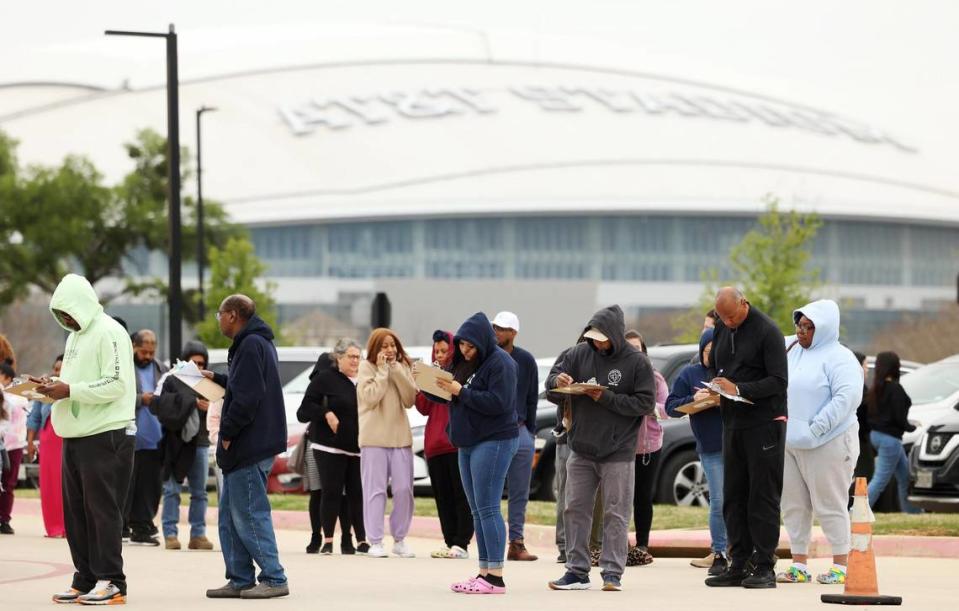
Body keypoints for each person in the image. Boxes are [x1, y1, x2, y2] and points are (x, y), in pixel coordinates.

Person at [35, 274, 136, 605]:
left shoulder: (110, 331)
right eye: (59, 314)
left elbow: (117, 383)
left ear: (82, 304)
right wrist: (53, 384)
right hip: (76, 434)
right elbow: (76, 381)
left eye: (68, 312)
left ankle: (112, 581)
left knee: (102, 511)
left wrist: (70, 389)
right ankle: (86, 577)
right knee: (75, 512)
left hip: (106, 434)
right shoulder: (76, 337)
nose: (65, 319)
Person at [546, 305, 655, 592]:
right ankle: (576, 571)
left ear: (615, 335)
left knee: (615, 513)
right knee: (574, 510)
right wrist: (558, 381)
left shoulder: (637, 363)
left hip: (618, 451)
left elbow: (644, 404)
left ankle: (612, 573)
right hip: (580, 447)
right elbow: (551, 387)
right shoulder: (578, 353)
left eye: (602, 338)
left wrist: (606, 398)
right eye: (593, 337)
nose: (597, 343)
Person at [205, 295, 290, 599]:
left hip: (248, 443)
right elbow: (242, 384)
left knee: (250, 513)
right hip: (247, 442)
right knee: (230, 514)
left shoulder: (252, 344)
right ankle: (240, 577)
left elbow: (247, 397)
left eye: (219, 314)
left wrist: (227, 432)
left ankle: (274, 576)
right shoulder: (253, 343)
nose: (218, 319)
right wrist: (215, 378)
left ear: (232, 315)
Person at [704, 287, 788, 590]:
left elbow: (779, 381)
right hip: (733, 423)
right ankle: (738, 562)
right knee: (733, 495)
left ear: (744, 303)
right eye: (722, 318)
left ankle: (764, 565)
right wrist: (715, 388)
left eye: (731, 316)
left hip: (764, 423)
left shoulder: (768, 332)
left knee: (762, 496)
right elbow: (716, 364)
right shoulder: (723, 329)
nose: (727, 323)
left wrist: (738, 389)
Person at [777, 300, 863, 585]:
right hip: (789, 441)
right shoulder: (791, 350)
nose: (801, 331)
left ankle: (841, 564)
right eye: (799, 325)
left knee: (830, 503)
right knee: (793, 505)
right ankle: (798, 563)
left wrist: (817, 428)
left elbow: (847, 398)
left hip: (829, 442)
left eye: (808, 326)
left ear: (823, 328)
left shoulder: (840, 357)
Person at [436, 312, 519, 594]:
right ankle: (483, 572)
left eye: (470, 346)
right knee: (477, 509)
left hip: (494, 440)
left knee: (488, 507)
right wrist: (428, 382)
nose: (465, 350)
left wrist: (462, 392)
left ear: (483, 342)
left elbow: (499, 402)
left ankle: (495, 577)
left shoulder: (501, 363)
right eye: (461, 345)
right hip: (467, 441)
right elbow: (448, 394)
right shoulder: (462, 362)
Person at [297, 338, 369, 556]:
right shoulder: (325, 379)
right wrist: (326, 413)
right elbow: (304, 410)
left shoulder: (365, 380)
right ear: (339, 358)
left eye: (358, 356)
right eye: (351, 356)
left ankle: (361, 540)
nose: (356, 361)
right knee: (331, 492)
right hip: (328, 447)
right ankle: (327, 540)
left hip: (357, 447)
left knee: (356, 493)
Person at [666, 329, 727, 576]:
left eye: (715, 352)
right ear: (701, 350)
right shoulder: (689, 373)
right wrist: (695, 398)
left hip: (736, 445)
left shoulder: (728, 373)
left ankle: (739, 548)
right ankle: (719, 550)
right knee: (719, 500)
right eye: (706, 351)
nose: (710, 357)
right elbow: (671, 407)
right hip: (710, 446)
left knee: (738, 499)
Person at [357, 328, 418, 559]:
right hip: (373, 439)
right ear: (375, 348)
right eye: (384, 346)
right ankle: (375, 541)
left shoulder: (401, 367)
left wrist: (395, 370)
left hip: (400, 439)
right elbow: (370, 398)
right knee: (375, 491)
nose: (390, 350)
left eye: (393, 345)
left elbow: (410, 399)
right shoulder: (366, 367)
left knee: (404, 490)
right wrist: (382, 372)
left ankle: (400, 539)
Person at [415, 330, 473, 560]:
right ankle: (450, 541)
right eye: (436, 351)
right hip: (434, 445)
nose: (440, 355)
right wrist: (424, 382)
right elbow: (423, 407)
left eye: (444, 350)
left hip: (455, 443)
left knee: (461, 494)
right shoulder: (434, 371)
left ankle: (462, 543)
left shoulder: (462, 371)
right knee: (442, 496)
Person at [153, 341, 215, 552]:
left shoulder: (209, 383)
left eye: (202, 363)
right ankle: (170, 534)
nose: (198, 366)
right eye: (194, 362)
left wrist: (210, 407)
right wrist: (190, 401)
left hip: (200, 443)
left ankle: (198, 534)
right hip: (176, 443)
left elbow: (221, 408)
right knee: (172, 489)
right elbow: (160, 405)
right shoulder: (172, 380)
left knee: (200, 492)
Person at [492, 311, 540, 562]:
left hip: (521, 430)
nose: (497, 332)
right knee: (492, 490)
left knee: (520, 492)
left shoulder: (526, 360)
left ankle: (516, 543)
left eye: (502, 328)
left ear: (514, 333)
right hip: (494, 432)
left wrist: (530, 432)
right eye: (495, 328)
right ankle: (493, 544)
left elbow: (532, 397)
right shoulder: (487, 358)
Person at [624, 330, 668, 566]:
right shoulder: (618, 376)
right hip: (622, 446)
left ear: (644, 351)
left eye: (637, 348)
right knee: (620, 497)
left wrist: (648, 406)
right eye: (628, 349)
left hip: (649, 447)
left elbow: (667, 408)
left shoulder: (655, 378)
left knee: (643, 497)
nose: (634, 353)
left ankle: (642, 544)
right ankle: (620, 543)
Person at [124, 329, 168, 546]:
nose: (148, 356)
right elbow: (117, 396)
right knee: (126, 486)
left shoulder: (162, 368)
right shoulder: (123, 366)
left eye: (152, 352)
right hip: (128, 438)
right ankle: (122, 527)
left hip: (155, 439)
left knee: (150, 487)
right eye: (144, 352)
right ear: (133, 346)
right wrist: (142, 399)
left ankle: (142, 527)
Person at [865, 351, 921, 514]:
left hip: (877, 436)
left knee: (905, 478)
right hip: (890, 439)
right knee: (880, 480)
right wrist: (911, 427)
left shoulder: (876, 389)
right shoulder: (895, 389)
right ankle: (856, 512)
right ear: (895, 367)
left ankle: (913, 513)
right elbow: (898, 417)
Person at [25, 354, 66, 538]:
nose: (57, 372)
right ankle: (53, 527)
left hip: (65, 436)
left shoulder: (71, 389)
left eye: (61, 369)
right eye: (55, 369)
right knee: (49, 482)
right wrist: (30, 441)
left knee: (64, 482)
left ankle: (67, 527)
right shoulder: (44, 389)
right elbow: (34, 417)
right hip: (48, 438)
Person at [1, 359, 29, 535]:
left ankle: (4, 519)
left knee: (8, 484)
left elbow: (16, 404)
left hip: (14, 445)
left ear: (8, 377)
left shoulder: (18, 395)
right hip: (2, 444)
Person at [851, 351, 874, 484]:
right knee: (863, 476)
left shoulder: (862, 387)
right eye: (865, 365)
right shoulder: (856, 389)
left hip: (862, 439)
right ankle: (854, 503)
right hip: (859, 438)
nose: (867, 370)